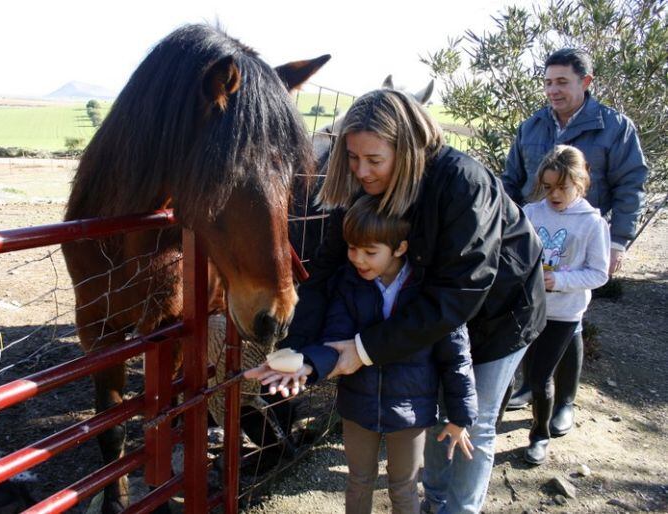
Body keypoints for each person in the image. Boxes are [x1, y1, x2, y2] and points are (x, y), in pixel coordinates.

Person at [248, 89, 546, 514]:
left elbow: (458, 293)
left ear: (406, 149)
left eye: (374, 160)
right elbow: (328, 270)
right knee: (441, 413)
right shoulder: (364, 185)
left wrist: (364, 350)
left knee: (471, 420)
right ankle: (436, 500)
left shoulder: (464, 183)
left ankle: (460, 509)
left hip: (501, 311)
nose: (361, 171)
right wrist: (301, 351)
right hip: (434, 310)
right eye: (352, 158)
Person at [257, 194, 478, 514]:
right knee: (359, 481)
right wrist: (307, 365)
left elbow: (456, 356)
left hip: (411, 410)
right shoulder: (349, 283)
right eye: (351, 248)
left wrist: (460, 416)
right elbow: (335, 339)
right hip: (358, 404)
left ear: (400, 248)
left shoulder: (429, 292)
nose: (358, 259)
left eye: (369, 252)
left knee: (403, 487)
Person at [502, 48, 648, 435]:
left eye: (562, 82)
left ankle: (564, 400)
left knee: (571, 321)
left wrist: (618, 241)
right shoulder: (531, 127)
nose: (553, 90)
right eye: (548, 82)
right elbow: (512, 180)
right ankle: (534, 386)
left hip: (582, 243)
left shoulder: (616, 128)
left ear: (585, 82)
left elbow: (630, 186)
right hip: (534, 241)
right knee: (533, 317)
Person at [521, 145, 610, 463]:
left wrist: (559, 281)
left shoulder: (591, 223)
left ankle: (539, 435)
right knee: (530, 370)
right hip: (532, 310)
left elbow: (599, 273)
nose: (553, 194)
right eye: (547, 187)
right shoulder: (532, 213)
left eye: (562, 187)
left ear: (580, 182)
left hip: (565, 312)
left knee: (541, 375)